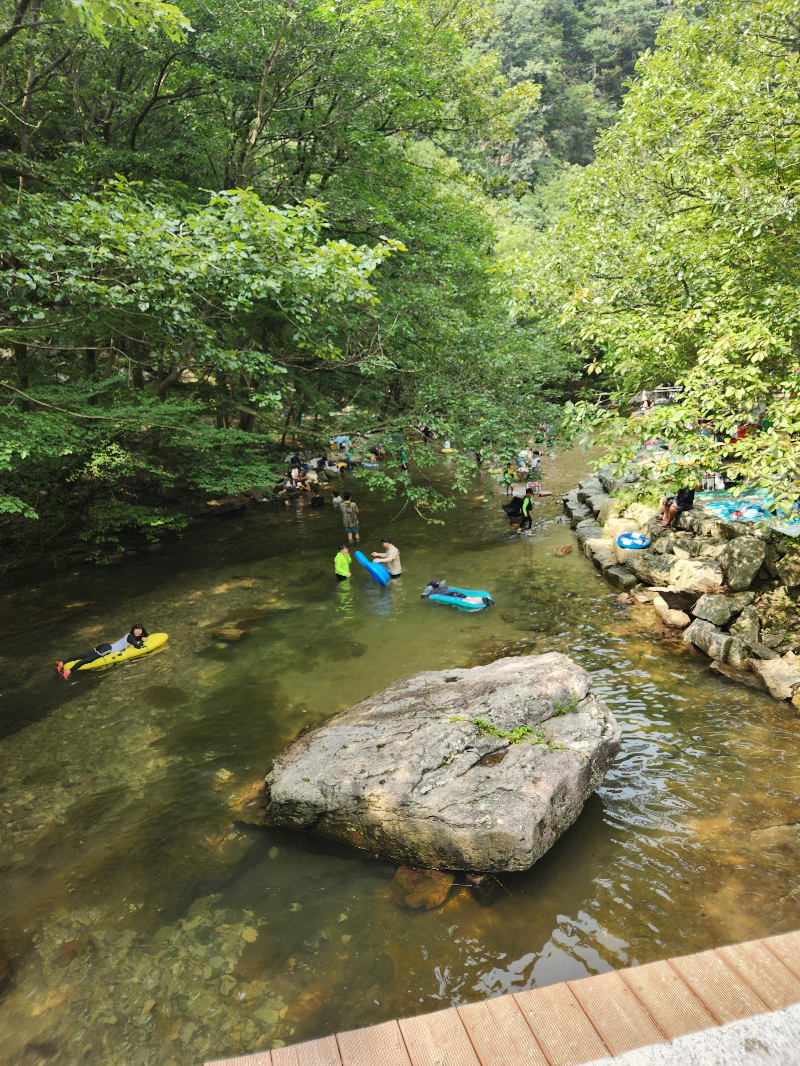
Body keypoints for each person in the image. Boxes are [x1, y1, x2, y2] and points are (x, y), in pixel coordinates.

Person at [56, 624, 148, 679]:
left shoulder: (128, 635)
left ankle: (61, 663)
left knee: (83, 655)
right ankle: (68, 672)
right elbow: (138, 647)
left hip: (106, 646)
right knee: (88, 659)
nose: (139, 632)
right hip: (108, 649)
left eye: (140, 631)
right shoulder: (131, 637)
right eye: (138, 630)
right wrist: (143, 641)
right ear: (134, 630)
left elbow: (125, 644)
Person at [422, 580, 492, 607]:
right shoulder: (442, 588)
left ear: (432, 587)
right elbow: (446, 589)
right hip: (455, 593)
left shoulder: (434, 592)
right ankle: (483, 599)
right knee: (470, 598)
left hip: (454, 595)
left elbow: (425, 597)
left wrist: (423, 595)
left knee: (467, 600)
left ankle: (484, 601)